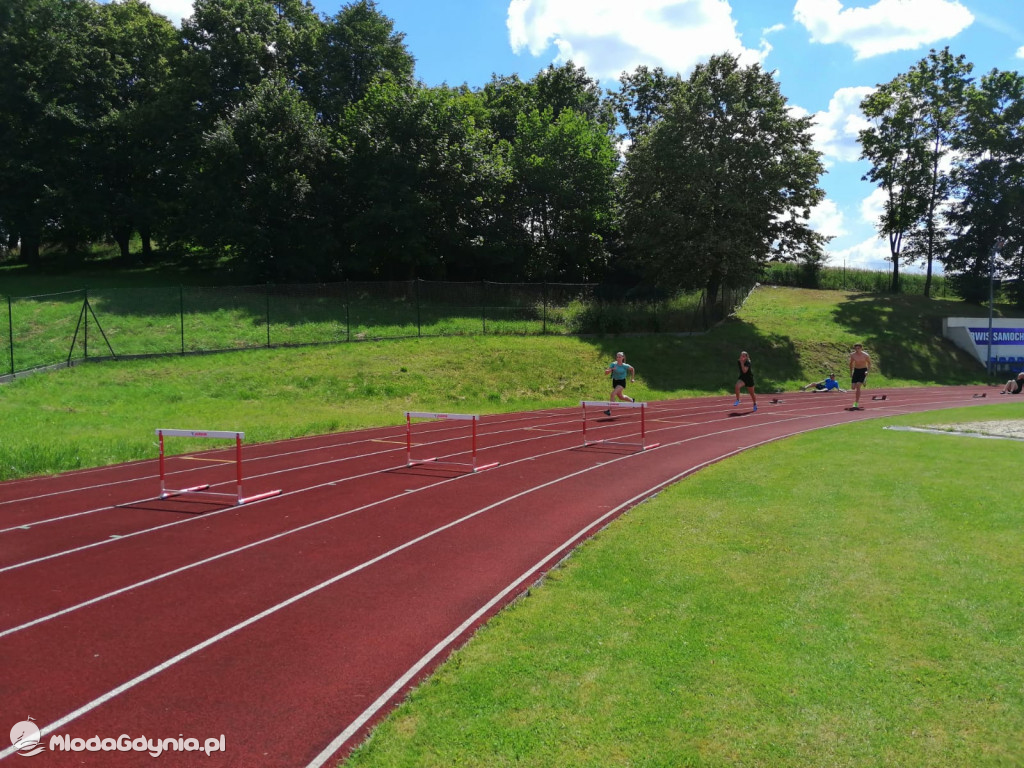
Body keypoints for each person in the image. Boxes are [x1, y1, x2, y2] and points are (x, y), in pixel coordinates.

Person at [848, 343, 871, 409]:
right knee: (853, 387)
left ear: (861, 348)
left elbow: (869, 363)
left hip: (863, 370)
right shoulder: (853, 355)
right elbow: (851, 363)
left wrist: (867, 371)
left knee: (858, 386)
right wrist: (851, 372)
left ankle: (856, 402)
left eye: (858, 348)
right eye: (856, 348)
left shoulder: (865, 355)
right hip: (856, 370)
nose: (857, 350)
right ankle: (864, 381)